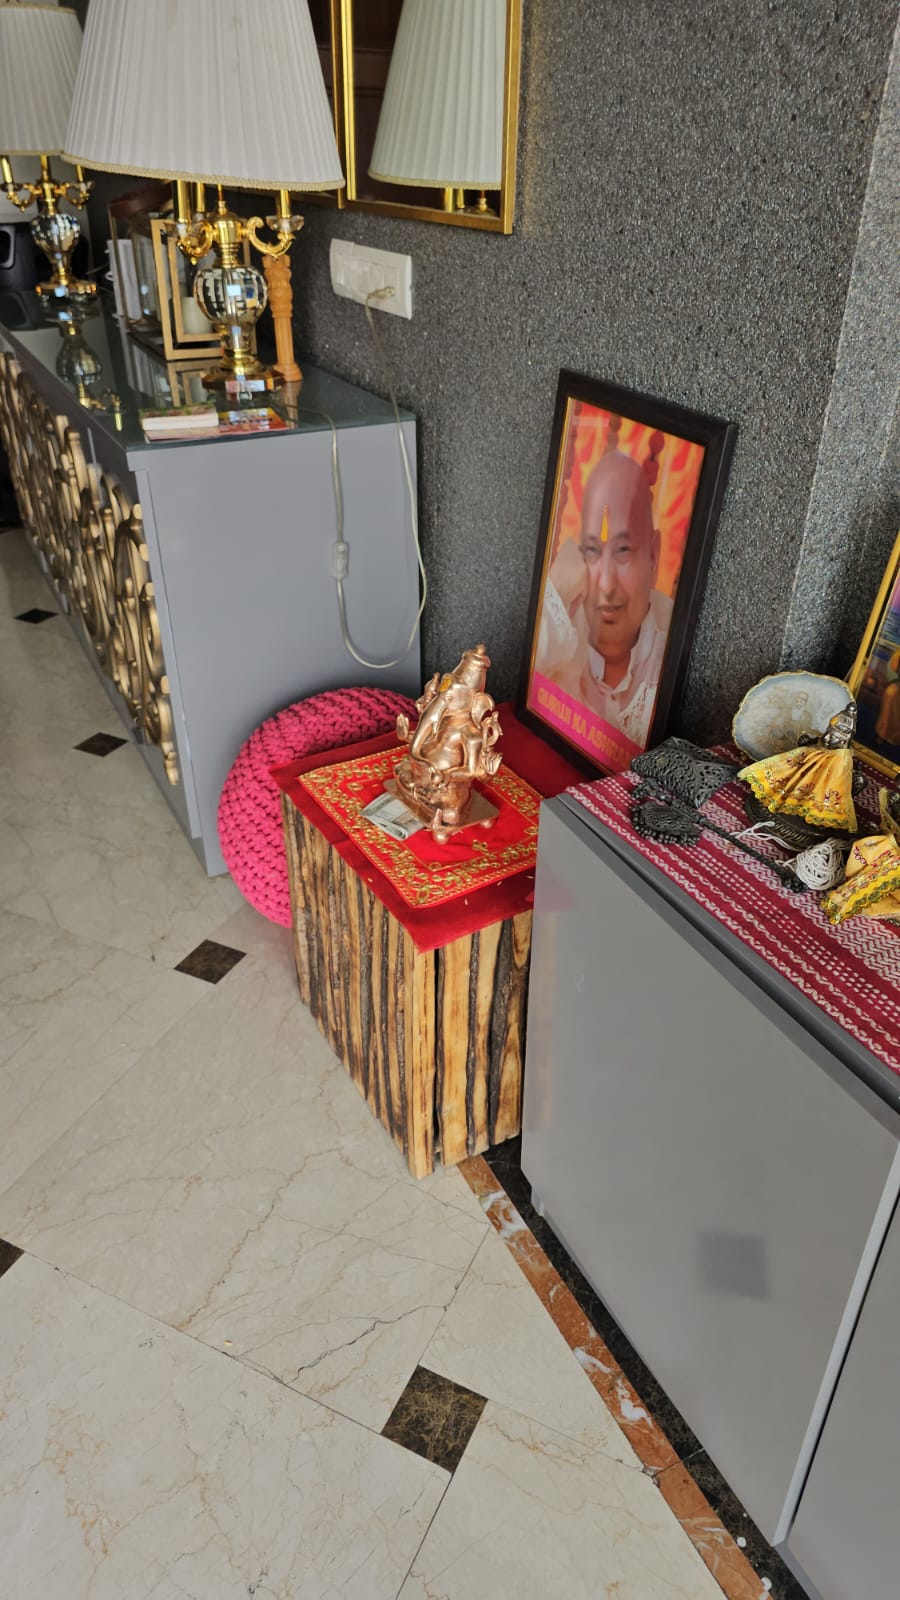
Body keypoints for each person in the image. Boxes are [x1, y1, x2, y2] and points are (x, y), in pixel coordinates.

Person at [536, 443, 673, 748]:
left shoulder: (672, 646)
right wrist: (557, 591)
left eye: (623, 550)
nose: (607, 585)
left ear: (653, 556)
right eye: (593, 550)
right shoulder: (562, 629)